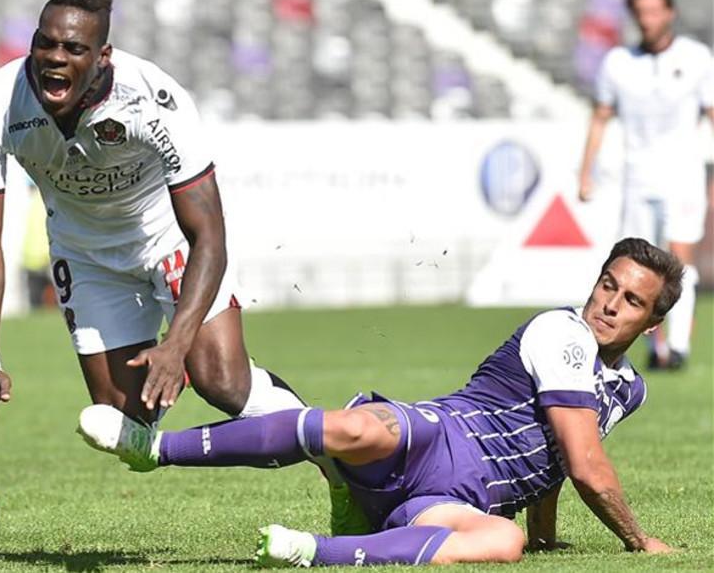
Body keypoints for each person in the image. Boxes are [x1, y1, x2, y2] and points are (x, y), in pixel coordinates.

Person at [80, 237, 682, 566]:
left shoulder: (628, 388)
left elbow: (554, 452)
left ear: (653, 324)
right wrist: (640, 542)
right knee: (356, 429)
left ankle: (316, 552)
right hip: (438, 437)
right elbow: (585, 464)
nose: (609, 303)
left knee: (505, 543)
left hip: (456, 501)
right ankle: (154, 447)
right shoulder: (564, 332)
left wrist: (544, 534)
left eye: (631, 300)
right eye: (608, 284)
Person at [0, 0, 306, 457]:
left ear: (102, 58)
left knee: (222, 382)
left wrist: (177, 344)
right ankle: (175, 379)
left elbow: (209, 236)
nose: (56, 58)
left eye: (74, 49)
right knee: (119, 420)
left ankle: (337, 459)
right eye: (46, 43)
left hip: (167, 241)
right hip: (86, 256)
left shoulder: (154, 100)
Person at [578, 0, 714, 371]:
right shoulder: (618, 63)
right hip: (637, 177)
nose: (648, 19)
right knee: (635, 264)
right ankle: (651, 347)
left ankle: (679, 345)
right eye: (641, 13)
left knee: (678, 257)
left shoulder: (696, 58)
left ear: (669, 13)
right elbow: (601, 118)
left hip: (683, 174)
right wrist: (586, 172)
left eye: (655, 11)